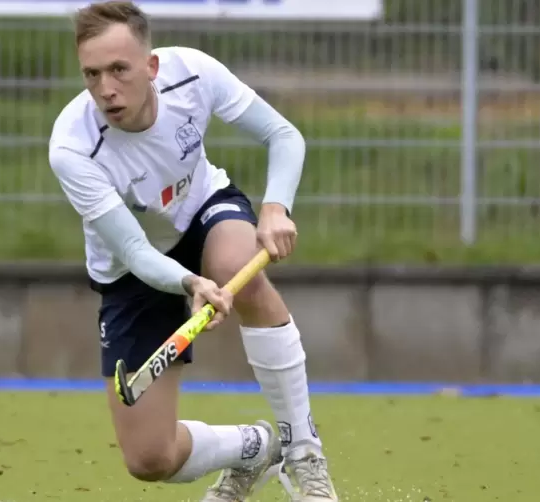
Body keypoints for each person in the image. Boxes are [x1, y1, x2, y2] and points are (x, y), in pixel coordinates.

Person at [48, 1, 338, 500]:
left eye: (119, 69)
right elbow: (137, 254)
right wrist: (191, 283)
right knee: (149, 459)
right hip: (133, 269)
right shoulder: (73, 148)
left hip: (204, 208)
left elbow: (283, 135)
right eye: (91, 74)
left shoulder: (192, 73)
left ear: (151, 67)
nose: (105, 89)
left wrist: (274, 208)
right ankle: (253, 448)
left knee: (233, 262)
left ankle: (304, 452)